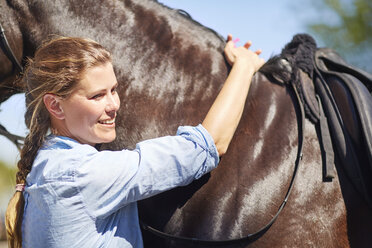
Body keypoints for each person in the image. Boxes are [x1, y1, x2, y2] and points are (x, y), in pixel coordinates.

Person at [5, 34, 264, 248]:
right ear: (55, 106)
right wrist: (244, 66)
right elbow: (208, 145)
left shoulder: (46, 163)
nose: (114, 105)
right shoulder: (83, 174)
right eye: (97, 96)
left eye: (114, 90)